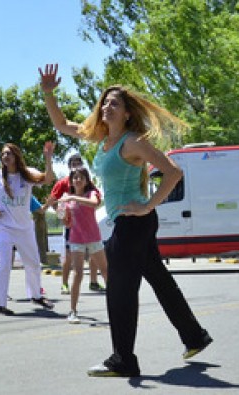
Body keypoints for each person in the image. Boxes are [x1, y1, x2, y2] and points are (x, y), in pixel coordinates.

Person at [40, 63, 212, 377]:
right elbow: (63, 124)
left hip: (133, 222)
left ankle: (123, 360)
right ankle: (194, 336)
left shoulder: (132, 142)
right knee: (160, 281)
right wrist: (49, 93)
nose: (107, 106)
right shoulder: (103, 138)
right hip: (136, 224)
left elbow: (174, 173)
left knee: (119, 289)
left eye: (114, 103)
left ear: (127, 113)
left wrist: (147, 206)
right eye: (104, 102)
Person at [0, 142, 55, 316]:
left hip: (25, 228)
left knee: (33, 263)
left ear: (16, 156)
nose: (5, 157)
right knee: (4, 264)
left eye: (9, 153)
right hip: (4, 228)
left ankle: (36, 296)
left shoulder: (27, 174)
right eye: (3, 154)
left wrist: (48, 159)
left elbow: (48, 179)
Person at [46, 153, 105, 294]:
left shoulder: (87, 183)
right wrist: (62, 217)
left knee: (94, 254)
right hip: (72, 228)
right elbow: (53, 201)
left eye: (79, 163)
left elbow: (96, 201)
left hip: (89, 226)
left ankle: (94, 282)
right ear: (69, 167)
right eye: (73, 164)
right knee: (69, 255)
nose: (76, 166)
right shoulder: (63, 183)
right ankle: (65, 284)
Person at [58, 168, 109, 324]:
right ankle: (73, 311)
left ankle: (117, 308)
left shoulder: (91, 194)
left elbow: (94, 204)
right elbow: (64, 219)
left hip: (93, 238)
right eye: (75, 178)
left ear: (86, 181)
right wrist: (62, 212)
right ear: (71, 181)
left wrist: (73, 197)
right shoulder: (68, 199)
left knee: (106, 271)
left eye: (81, 177)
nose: (78, 180)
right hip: (76, 239)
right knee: (78, 274)